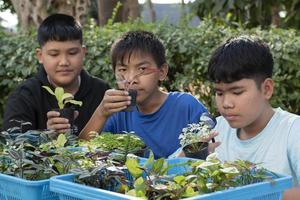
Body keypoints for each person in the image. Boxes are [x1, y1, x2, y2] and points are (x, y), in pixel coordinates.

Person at [79, 30, 208, 158]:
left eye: (142, 69)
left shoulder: (186, 106)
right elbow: (80, 153)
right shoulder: (117, 112)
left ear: (162, 72)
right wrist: (101, 113)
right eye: (123, 70)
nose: (131, 79)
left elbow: (212, 151)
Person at [207, 35, 300, 198]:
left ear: (266, 89)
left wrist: (264, 195)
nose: (226, 103)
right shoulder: (217, 130)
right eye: (219, 93)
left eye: (237, 92)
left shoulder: (293, 131)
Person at [3, 13, 110, 135]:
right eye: (54, 54)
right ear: (40, 56)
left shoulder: (101, 91)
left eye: (72, 53)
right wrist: (45, 136)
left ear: (83, 52)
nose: (64, 62)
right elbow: (11, 146)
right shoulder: (24, 96)